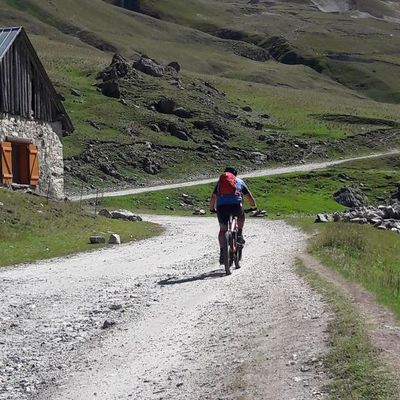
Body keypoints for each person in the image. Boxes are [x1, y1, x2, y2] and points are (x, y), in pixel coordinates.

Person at [209, 167, 257, 264]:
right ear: (235, 174)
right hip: (235, 205)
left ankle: (223, 251)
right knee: (241, 215)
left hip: (221, 207)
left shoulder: (220, 182)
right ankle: (239, 233)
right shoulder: (239, 181)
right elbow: (249, 197)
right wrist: (253, 206)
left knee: (223, 229)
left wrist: (211, 208)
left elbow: (213, 196)